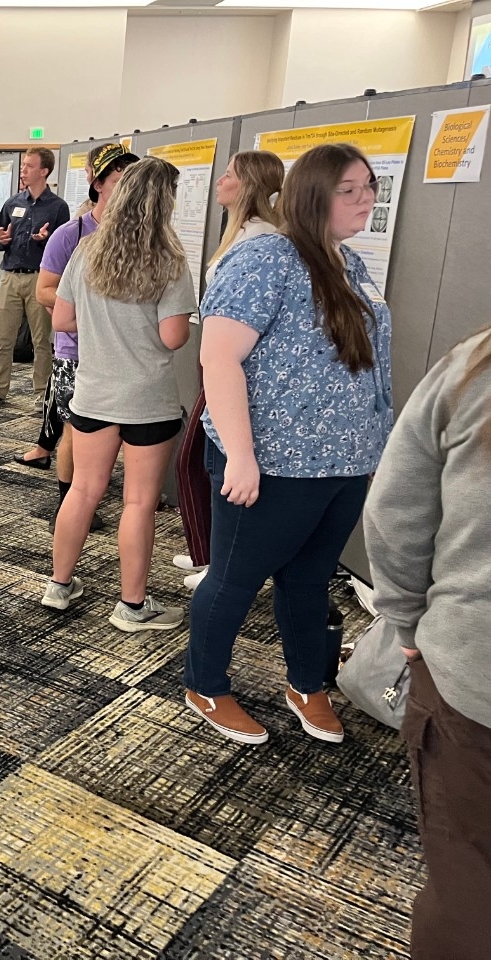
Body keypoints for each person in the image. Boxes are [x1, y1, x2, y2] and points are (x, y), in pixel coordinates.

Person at [183, 143, 393, 745]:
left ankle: (307, 684)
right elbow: (219, 358)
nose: (364, 200)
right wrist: (241, 455)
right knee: (234, 578)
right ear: (312, 195)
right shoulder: (266, 259)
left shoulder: (350, 263)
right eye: (347, 189)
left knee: (310, 577)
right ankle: (205, 683)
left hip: (343, 460)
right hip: (272, 462)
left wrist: (374, 446)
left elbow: (368, 363)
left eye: (369, 187)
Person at [364, 327, 491, 960]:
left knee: (468, 888)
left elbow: (396, 513)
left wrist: (409, 622)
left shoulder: (474, 368)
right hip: (472, 680)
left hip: (471, 679)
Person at [40, 157, 196, 633]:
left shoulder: (87, 250)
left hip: (94, 391)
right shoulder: (170, 261)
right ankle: (131, 606)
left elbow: (61, 320)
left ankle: (59, 586)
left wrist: (103, 326)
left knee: (83, 491)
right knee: (138, 503)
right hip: (147, 398)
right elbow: (173, 337)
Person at [173, 150, 284, 591]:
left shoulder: (260, 240)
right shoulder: (239, 232)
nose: (220, 180)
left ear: (249, 184)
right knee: (198, 463)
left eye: (230, 175)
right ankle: (210, 556)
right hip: (220, 362)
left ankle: (220, 565)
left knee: (198, 463)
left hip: (237, 369)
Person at [17, 143, 130, 535]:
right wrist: (93, 320)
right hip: (78, 352)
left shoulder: (137, 237)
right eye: (118, 180)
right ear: (98, 184)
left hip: (125, 356)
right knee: (73, 430)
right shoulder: (73, 234)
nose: (125, 188)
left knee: (119, 431)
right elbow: (45, 290)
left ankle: (97, 494)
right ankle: (69, 503)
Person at [0, 147, 71, 411]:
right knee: (3, 338)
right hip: (10, 277)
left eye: (29, 166)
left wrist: (46, 241)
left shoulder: (58, 208)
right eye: (23, 166)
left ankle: (42, 392)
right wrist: (2, 239)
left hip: (39, 279)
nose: (23, 170)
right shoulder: (13, 203)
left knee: (41, 339)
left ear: (44, 171)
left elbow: (64, 248)